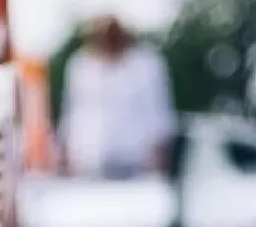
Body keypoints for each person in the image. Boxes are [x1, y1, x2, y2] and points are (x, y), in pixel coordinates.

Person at [57, 16, 176, 180]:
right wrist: (66, 155)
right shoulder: (80, 66)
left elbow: (158, 112)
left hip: (137, 162)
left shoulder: (147, 64)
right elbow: (72, 112)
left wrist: (160, 157)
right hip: (89, 164)